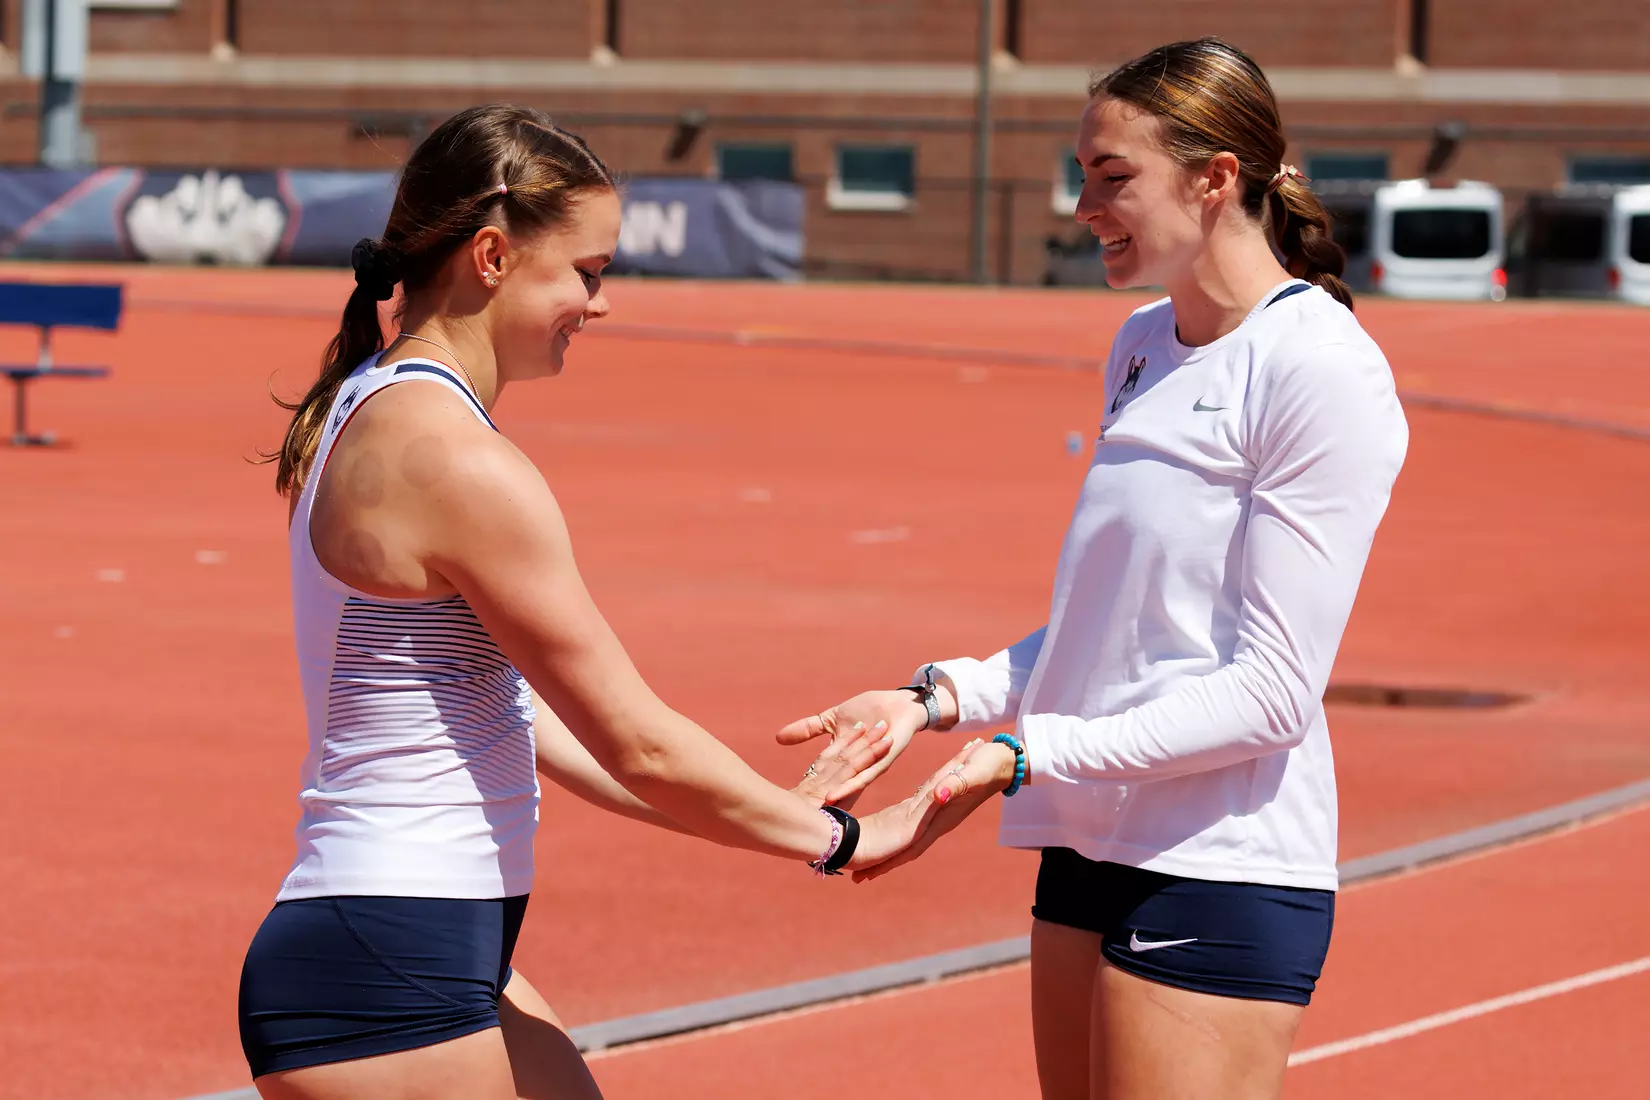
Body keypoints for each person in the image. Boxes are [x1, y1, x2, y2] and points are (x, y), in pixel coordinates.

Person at [240, 103, 959, 1100]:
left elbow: (519, 716)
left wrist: (771, 810)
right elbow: (639, 743)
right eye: (587, 271)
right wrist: (847, 839)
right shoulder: (456, 460)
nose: (601, 302)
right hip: (391, 967)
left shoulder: (371, 404)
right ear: (494, 256)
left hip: (407, 946)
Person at [780, 38, 1410, 1100]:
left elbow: (1273, 693)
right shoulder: (1139, 343)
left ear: (1215, 179)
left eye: (1113, 176)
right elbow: (1118, 631)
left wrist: (1023, 754)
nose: (1084, 206)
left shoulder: (1317, 365)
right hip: (1087, 844)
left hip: (1219, 862)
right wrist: (931, 699)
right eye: (1084, 175)